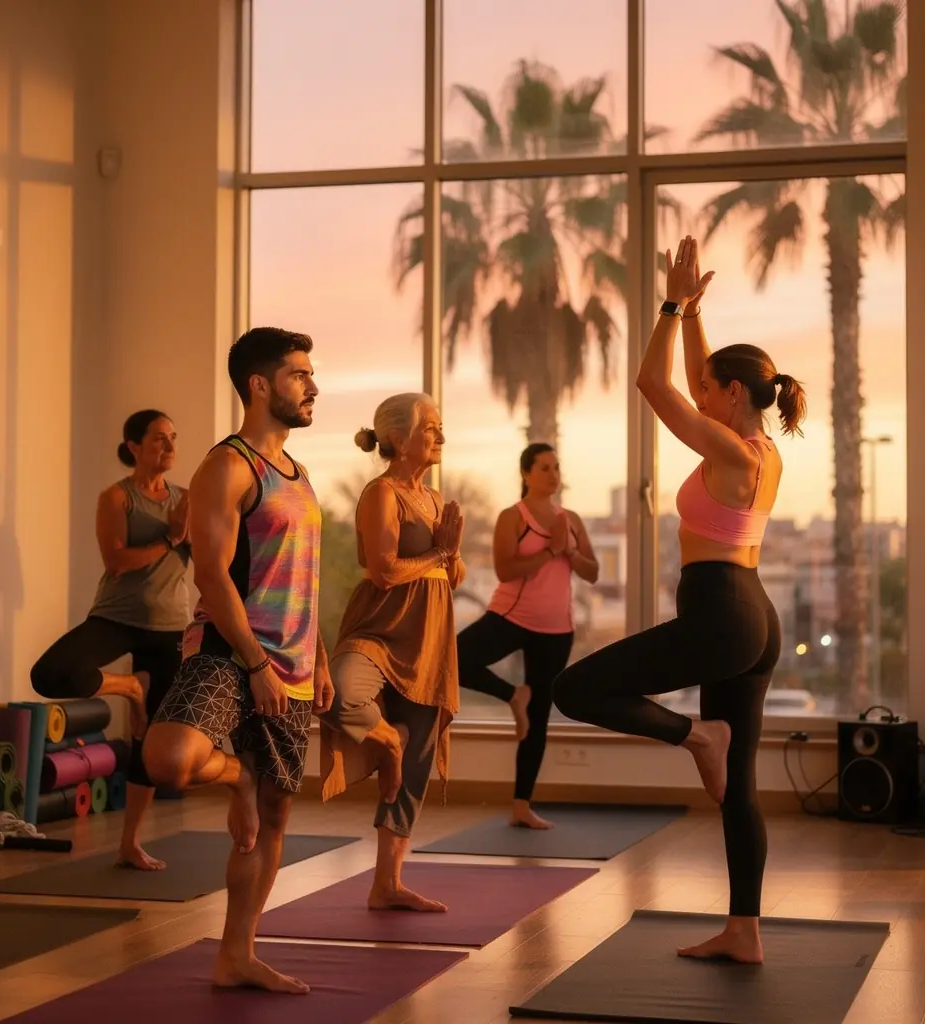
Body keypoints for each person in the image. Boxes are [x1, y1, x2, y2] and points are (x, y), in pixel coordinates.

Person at [552, 235, 807, 965]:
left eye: (712, 393)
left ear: (734, 397)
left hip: (723, 610)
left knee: (577, 687)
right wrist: (696, 311)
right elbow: (697, 379)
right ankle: (745, 930)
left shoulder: (729, 452)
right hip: (755, 616)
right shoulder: (762, 449)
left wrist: (665, 307)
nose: (701, 398)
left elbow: (655, 386)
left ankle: (696, 736)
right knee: (741, 790)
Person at [143, 327, 333, 996]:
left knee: (274, 823)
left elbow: (303, 578)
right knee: (167, 758)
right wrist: (255, 662)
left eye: (312, 374)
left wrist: (321, 658)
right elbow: (213, 577)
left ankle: (237, 953)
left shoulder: (301, 476)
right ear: (260, 384)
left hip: (296, 664)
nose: (313, 386)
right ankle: (235, 779)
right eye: (299, 374)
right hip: (231, 651)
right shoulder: (227, 466)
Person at [319, 392, 464, 913]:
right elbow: (382, 571)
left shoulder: (433, 498)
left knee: (420, 758)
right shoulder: (381, 494)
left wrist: (450, 556)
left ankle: (387, 884)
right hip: (380, 630)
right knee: (340, 694)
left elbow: (451, 573)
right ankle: (388, 742)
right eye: (432, 429)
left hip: (428, 638)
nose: (441, 437)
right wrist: (439, 554)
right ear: (399, 440)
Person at [30, 409, 190, 870]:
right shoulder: (117, 498)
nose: (169, 446)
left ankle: (130, 843)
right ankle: (128, 687)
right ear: (134, 447)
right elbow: (117, 561)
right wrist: (170, 539)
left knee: (153, 744)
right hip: (116, 616)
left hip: (169, 626)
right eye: (159, 439)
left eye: (173, 438)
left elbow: (208, 557)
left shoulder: (186, 499)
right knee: (51, 673)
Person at [456, 443, 599, 829]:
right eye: (545, 468)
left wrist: (568, 550)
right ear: (526, 474)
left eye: (557, 467)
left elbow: (592, 572)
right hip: (511, 616)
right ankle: (511, 694)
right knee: (453, 660)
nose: (553, 475)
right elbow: (506, 570)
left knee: (538, 719)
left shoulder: (571, 519)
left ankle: (522, 805)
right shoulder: (512, 517)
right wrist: (551, 551)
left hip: (557, 629)